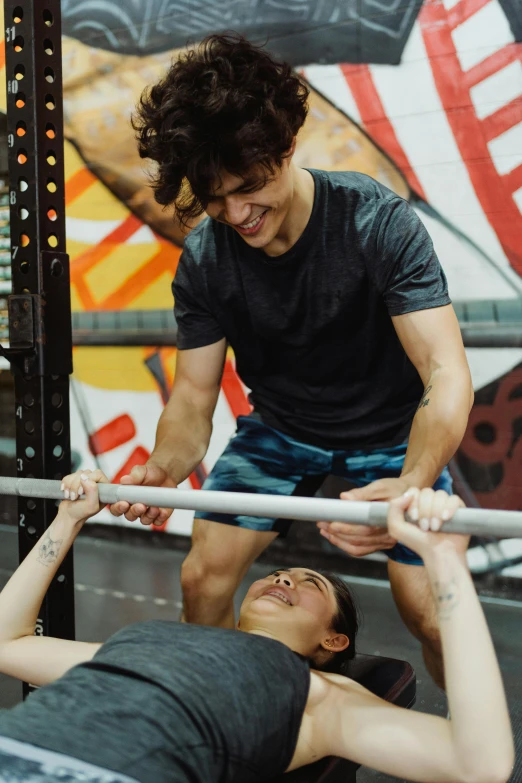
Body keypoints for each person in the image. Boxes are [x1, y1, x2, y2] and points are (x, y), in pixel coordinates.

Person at [111, 34, 474, 689]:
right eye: (216, 198)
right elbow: (193, 401)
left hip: (395, 433)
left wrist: (415, 477)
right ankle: (230, 726)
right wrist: (163, 465)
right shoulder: (206, 259)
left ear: (284, 146)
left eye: (250, 188)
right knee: (203, 575)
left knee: (431, 608)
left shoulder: (375, 222)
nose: (237, 213)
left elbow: (446, 373)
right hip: (281, 431)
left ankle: (466, 749)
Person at [0, 471, 514, 783]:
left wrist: (444, 562)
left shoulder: (320, 696)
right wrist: (69, 519)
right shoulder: (145, 641)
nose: (284, 579)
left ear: (333, 640)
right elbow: (7, 643)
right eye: (279, 573)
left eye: (308, 582)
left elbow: (480, 764)